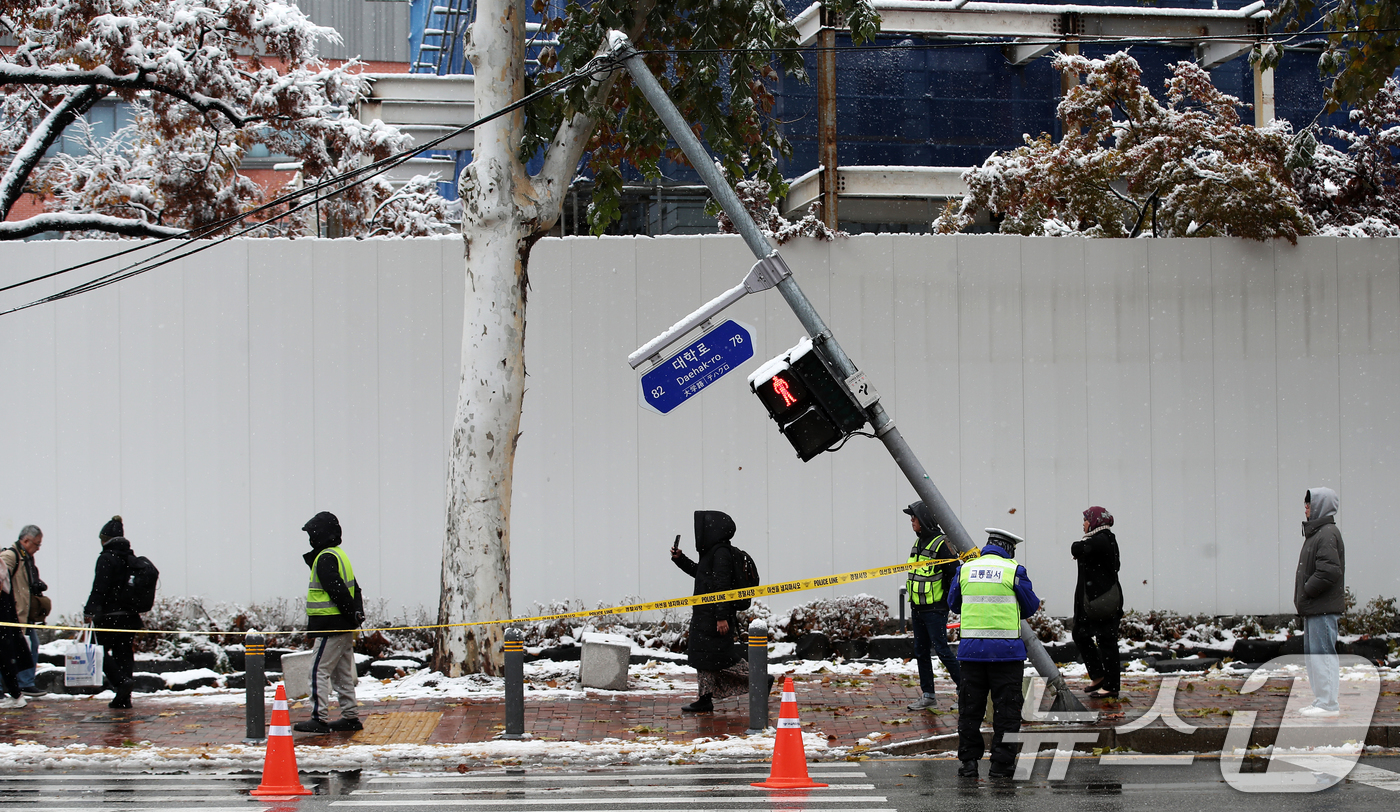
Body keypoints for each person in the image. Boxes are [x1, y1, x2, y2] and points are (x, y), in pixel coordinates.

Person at [949, 528, 1039, 780]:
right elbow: (1030, 607)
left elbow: (954, 604)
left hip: (971, 655)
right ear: (1009, 549)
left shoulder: (965, 569)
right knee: (1007, 711)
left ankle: (968, 764)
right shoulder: (1014, 571)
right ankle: (1001, 765)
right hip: (1006, 655)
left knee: (970, 710)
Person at [670, 510, 762, 713]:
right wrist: (680, 558)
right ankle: (704, 699)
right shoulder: (711, 552)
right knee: (704, 657)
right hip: (705, 614)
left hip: (714, 616)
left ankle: (760, 681)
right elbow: (701, 574)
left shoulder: (721, 553)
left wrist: (721, 617)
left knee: (723, 658)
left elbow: (722, 587)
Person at [293, 511, 365, 733]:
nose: (310, 540)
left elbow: (336, 589)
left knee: (317, 670)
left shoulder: (325, 557)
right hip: (343, 625)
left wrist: (348, 611)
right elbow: (355, 588)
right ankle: (350, 717)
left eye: (312, 535)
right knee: (342, 673)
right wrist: (355, 614)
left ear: (320, 535)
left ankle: (318, 718)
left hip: (330, 625)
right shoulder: (339, 554)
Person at [903, 501, 962, 710]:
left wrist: (946, 601)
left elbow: (956, 574)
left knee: (942, 650)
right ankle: (928, 695)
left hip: (935, 609)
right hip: (918, 607)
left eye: (914, 517)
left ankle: (965, 691)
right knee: (920, 651)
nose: (911, 520)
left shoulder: (941, 543)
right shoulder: (918, 543)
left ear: (924, 519)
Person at [83, 516, 143, 710]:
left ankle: (120, 683)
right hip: (129, 617)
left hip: (109, 617)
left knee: (96, 649)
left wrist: (90, 610)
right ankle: (124, 698)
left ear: (105, 539)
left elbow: (99, 588)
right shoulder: (130, 558)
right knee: (124, 654)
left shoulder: (106, 558)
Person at [1295, 487, 1345, 718]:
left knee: (1322, 655)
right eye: (1305, 505)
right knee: (1315, 656)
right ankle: (1321, 701)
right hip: (1316, 608)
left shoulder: (1325, 533)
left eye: (1309, 505)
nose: (1305, 509)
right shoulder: (1318, 533)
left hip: (1321, 608)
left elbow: (1329, 570)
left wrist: (1307, 590)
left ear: (1320, 507)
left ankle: (1328, 704)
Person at [1072, 506, 1122, 699]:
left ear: (1095, 521)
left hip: (1103, 601)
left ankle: (1111, 686)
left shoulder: (1103, 539)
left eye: (1085, 519)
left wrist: (1081, 547)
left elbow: (1077, 548)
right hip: (1091, 601)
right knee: (1080, 633)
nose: (1083, 524)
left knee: (1106, 640)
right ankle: (1099, 675)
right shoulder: (1098, 540)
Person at [0, 526, 49, 698]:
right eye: (36, 544)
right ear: (26, 540)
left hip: (23, 613)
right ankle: (13, 686)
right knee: (7, 651)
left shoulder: (26, 559)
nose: (38, 548)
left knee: (30, 646)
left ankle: (25, 683)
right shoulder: (11, 556)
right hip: (11, 614)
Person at [0, 537, 33, 709]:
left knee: (6, 656)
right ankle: (16, 694)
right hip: (6, 618)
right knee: (6, 657)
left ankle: (16, 694)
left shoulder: (5, 560)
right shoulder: (8, 559)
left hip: (5, 619)